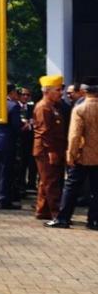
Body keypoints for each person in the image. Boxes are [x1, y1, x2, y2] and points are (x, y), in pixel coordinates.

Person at [48, 77, 98, 228]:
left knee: (71, 187)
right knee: (96, 189)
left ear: (84, 91)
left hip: (82, 156)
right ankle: (94, 220)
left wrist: (70, 155)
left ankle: (63, 218)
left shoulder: (80, 109)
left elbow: (75, 135)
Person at [34, 74, 69, 223]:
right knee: (52, 182)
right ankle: (57, 214)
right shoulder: (43, 107)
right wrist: (51, 151)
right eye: (58, 90)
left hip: (53, 149)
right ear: (47, 91)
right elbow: (45, 132)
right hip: (46, 150)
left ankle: (43, 211)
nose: (61, 93)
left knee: (46, 181)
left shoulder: (53, 106)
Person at [0, 84, 23, 210]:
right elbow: (16, 126)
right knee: (5, 172)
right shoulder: (13, 106)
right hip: (6, 142)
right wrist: (25, 127)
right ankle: (4, 199)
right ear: (11, 92)